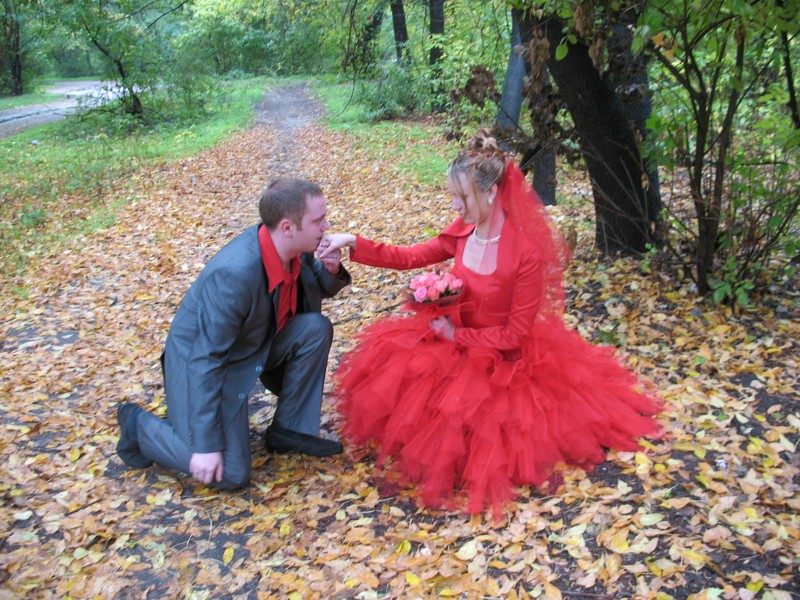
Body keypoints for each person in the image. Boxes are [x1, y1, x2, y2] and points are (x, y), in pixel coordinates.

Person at [319, 132, 662, 514]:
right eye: (453, 196)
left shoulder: (524, 253)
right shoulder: (463, 231)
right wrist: (353, 241)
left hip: (502, 358)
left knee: (485, 420)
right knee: (413, 384)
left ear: (492, 192)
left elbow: (515, 334)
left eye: (463, 197)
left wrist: (459, 334)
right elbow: (411, 256)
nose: (455, 205)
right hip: (450, 344)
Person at [116, 178, 351, 489]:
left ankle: (290, 428)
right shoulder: (233, 274)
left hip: (253, 344)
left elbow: (312, 286)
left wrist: (331, 271)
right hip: (200, 361)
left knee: (314, 328)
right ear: (287, 227)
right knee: (229, 473)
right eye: (318, 220)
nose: (327, 226)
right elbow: (206, 358)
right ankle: (138, 425)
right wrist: (206, 446)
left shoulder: (294, 246)